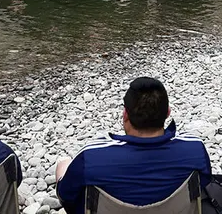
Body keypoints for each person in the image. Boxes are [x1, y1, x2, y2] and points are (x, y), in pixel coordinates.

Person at [55, 77, 212, 211]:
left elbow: (66, 197)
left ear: (125, 114)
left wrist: (62, 168)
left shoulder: (90, 157)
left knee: (63, 164)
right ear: (167, 113)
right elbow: (204, 184)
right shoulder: (195, 148)